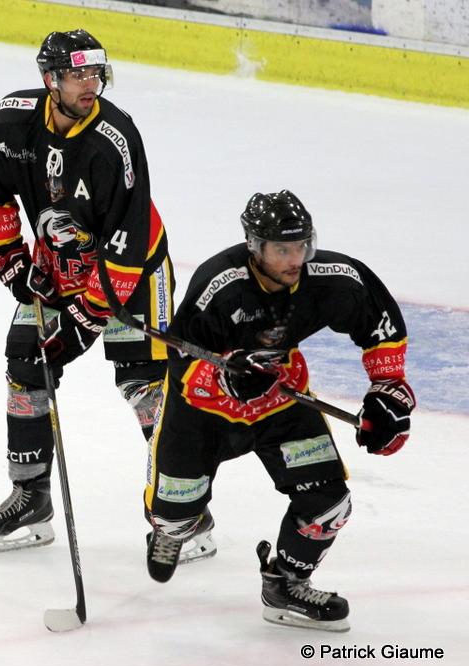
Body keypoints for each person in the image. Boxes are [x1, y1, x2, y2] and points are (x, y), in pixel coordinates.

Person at [0, 29, 216, 558]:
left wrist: (86, 317)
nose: (90, 84)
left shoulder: (114, 139)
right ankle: (31, 496)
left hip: (134, 272)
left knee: (144, 382)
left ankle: (184, 514)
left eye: (95, 73)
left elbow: (127, 243)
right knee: (26, 361)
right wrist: (13, 263)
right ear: (50, 80)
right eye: (78, 74)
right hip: (59, 267)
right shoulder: (9, 123)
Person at [143, 189, 415, 632]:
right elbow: (182, 356)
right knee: (173, 517)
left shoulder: (330, 278)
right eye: (282, 249)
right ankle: (177, 527)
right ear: (255, 246)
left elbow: (381, 329)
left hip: (279, 401)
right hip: (202, 410)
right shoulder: (221, 283)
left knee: (328, 503)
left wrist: (388, 393)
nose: (295, 259)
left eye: (301, 246)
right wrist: (226, 374)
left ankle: (285, 584)